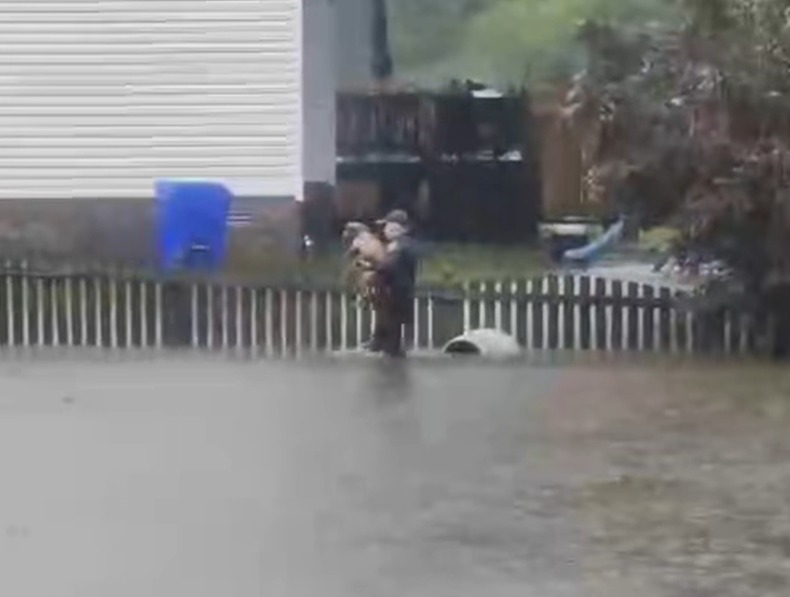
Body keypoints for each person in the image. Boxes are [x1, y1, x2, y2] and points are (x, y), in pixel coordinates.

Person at [367, 209, 418, 357]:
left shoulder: (402, 246)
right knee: (386, 326)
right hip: (391, 295)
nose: (388, 231)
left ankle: (391, 355)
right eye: (387, 227)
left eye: (393, 228)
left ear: (403, 230)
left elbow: (390, 267)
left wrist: (374, 267)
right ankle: (380, 346)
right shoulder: (393, 245)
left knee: (392, 331)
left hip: (397, 295)